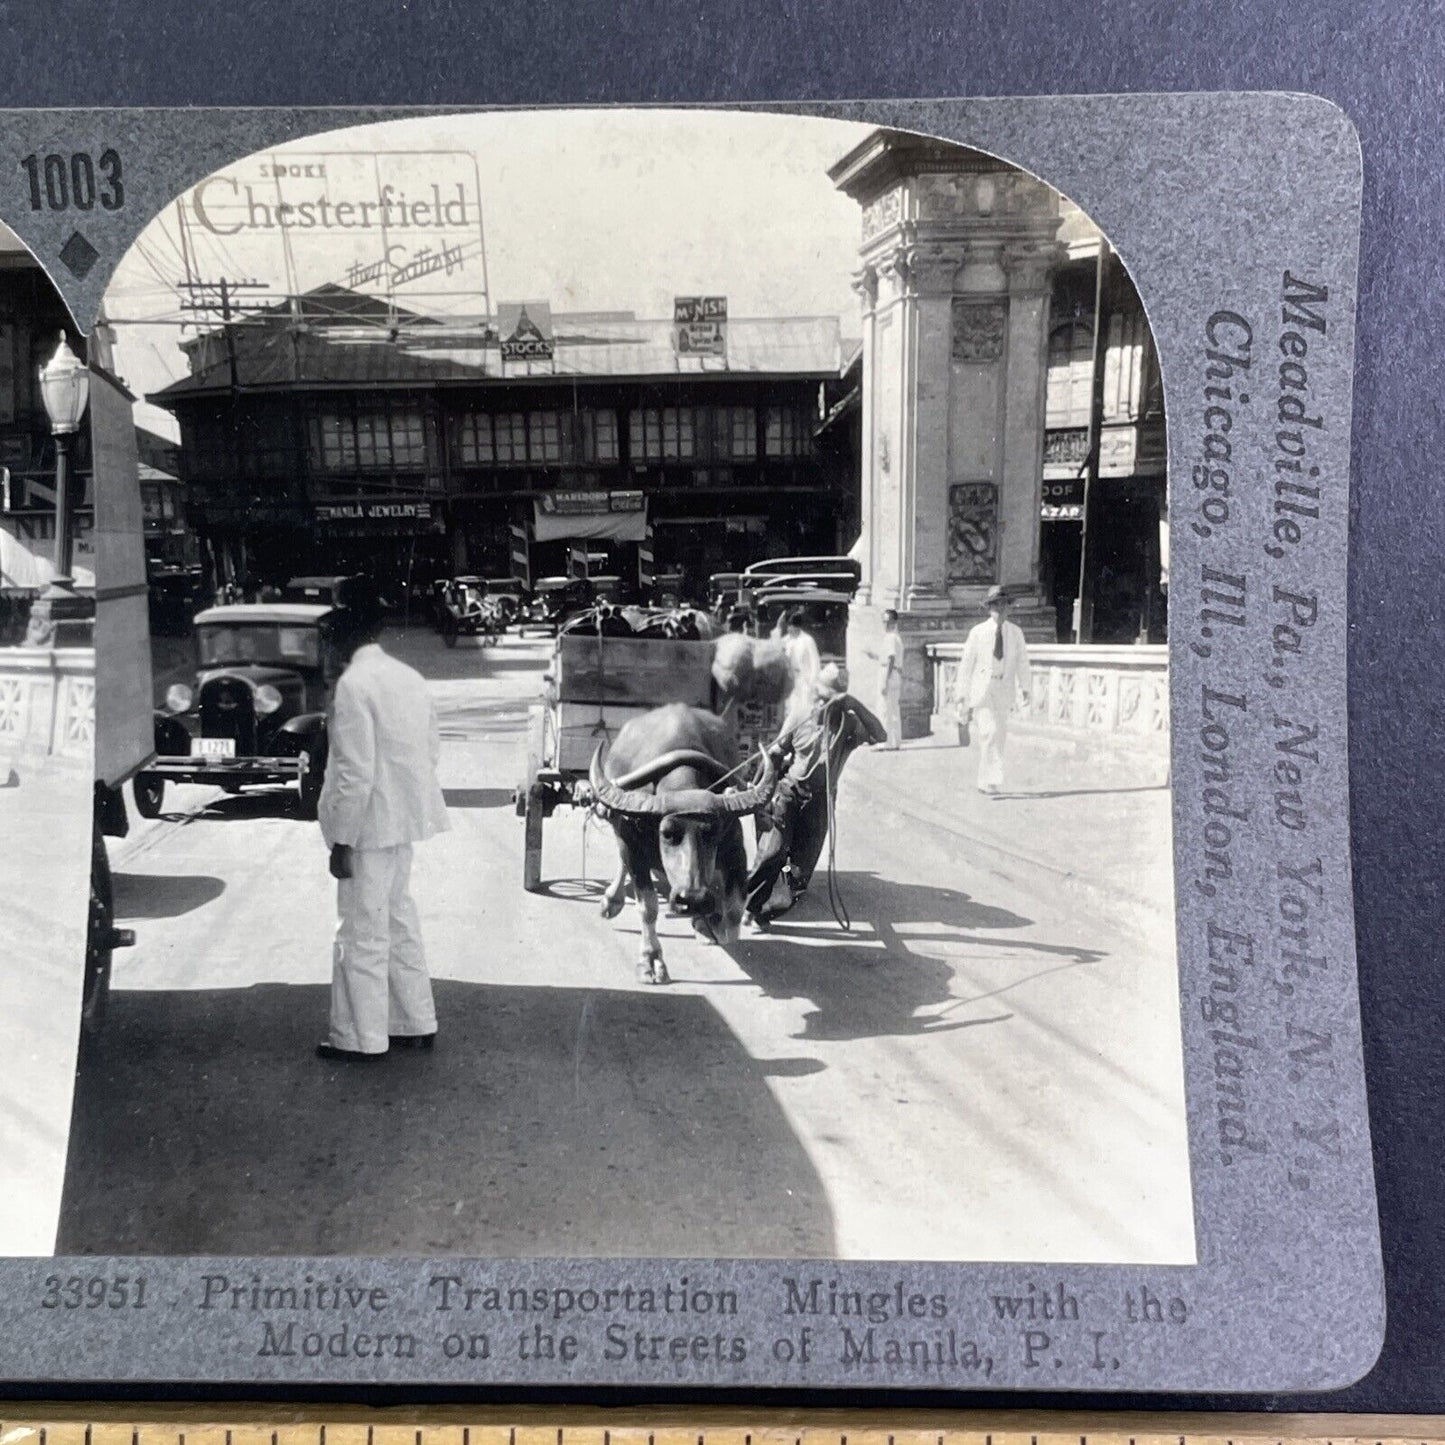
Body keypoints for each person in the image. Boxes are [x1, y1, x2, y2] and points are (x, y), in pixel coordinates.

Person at [315, 584, 450, 1062]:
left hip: (368, 828)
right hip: (403, 822)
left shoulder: (353, 686)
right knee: (399, 920)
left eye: (326, 644)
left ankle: (361, 1038)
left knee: (361, 932)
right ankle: (415, 1022)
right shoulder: (409, 676)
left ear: (342, 641)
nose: (324, 655)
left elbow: (354, 774)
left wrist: (341, 841)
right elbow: (430, 750)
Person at [953, 584, 1032, 795]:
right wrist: (961, 693)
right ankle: (987, 780)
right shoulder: (978, 633)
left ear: (1008, 607)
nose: (999, 608)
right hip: (983, 689)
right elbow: (966, 665)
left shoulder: (1016, 633)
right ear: (989, 607)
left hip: (1004, 688)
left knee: (1000, 734)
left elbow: (1023, 662)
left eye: (1003, 604)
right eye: (995, 604)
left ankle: (991, 780)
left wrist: (1026, 687)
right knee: (989, 731)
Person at [780, 607, 822, 733]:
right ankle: (789, 740)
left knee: (805, 712)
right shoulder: (787, 640)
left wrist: (813, 684)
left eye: (791, 627)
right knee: (790, 712)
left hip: (804, 681)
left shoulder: (807, 640)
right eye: (788, 627)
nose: (789, 629)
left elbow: (815, 663)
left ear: (796, 627)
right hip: (791, 681)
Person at [877, 608, 903, 750]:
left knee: (886, 709)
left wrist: (885, 680)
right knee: (892, 708)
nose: (886, 625)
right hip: (892, 672)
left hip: (889, 674)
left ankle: (887, 741)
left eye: (889, 621)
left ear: (894, 622)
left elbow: (891, 658)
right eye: (884, 621)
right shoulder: (894, 637)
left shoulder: (891, 637)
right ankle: (894, 741)